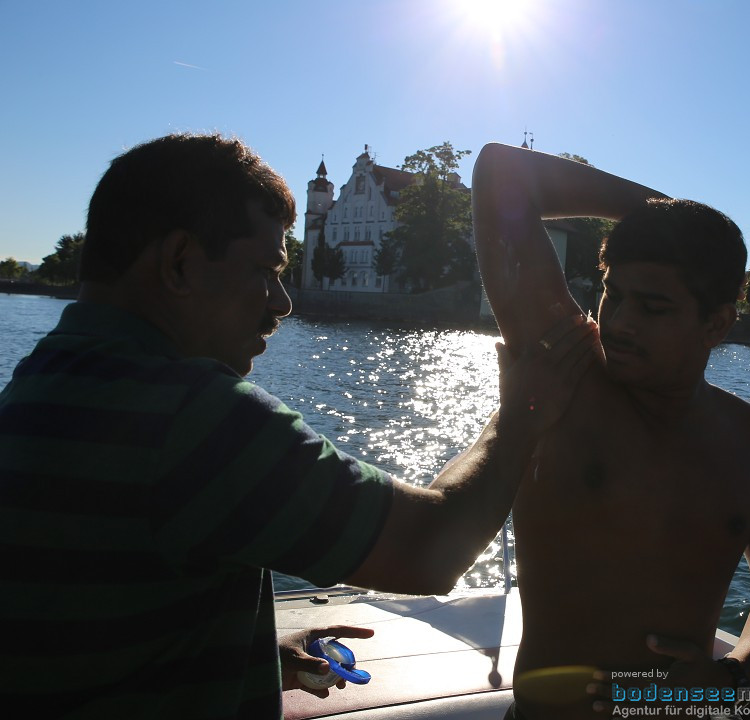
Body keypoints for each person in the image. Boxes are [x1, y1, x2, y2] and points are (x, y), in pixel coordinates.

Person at [0, 133, 598, 717]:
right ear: (180, 262)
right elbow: (429, 549)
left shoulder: (33, 389)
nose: (283, 301)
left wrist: (250, 651)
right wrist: (520, 415)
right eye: (265, 269)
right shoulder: (195, 418)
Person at [471, 143, 750, 718]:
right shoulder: (570, 374)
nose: (620, 322)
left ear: (717, 322)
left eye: (653, 308)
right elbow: (502, 172)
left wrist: (733, 671)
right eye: (613, 295)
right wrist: (660, 211)